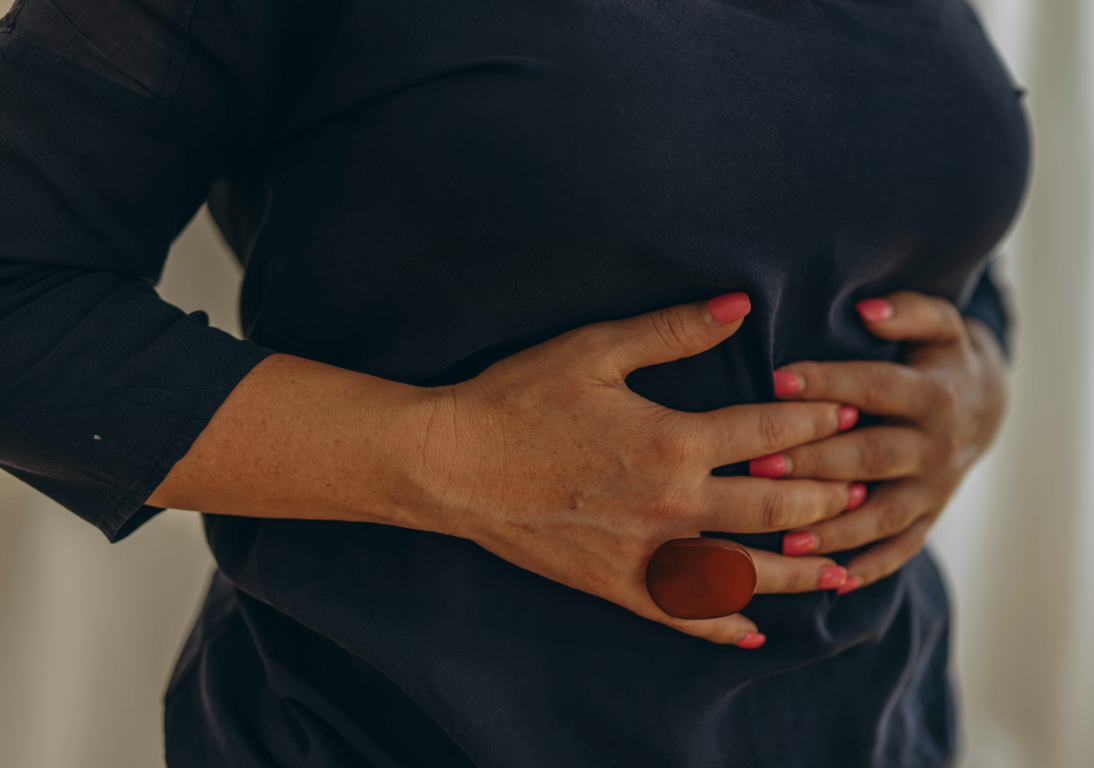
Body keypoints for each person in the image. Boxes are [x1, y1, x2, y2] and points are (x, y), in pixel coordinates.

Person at [0, 0, 1029, 764]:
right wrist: (447, 459)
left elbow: (896, 221)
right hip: (400, 729)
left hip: (869, 716)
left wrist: (977, 375)